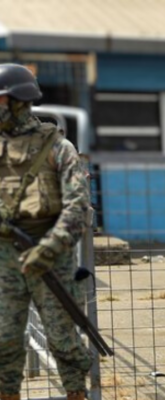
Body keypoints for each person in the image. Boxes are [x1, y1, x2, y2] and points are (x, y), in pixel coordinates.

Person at [0, 64, 92, 400]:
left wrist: (48, 249)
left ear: (20, 101)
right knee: (4, 340)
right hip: (5, 260)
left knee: (62, 340)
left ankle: (75, 394)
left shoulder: (57, 148)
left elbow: (77, 208)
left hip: (51, 258)